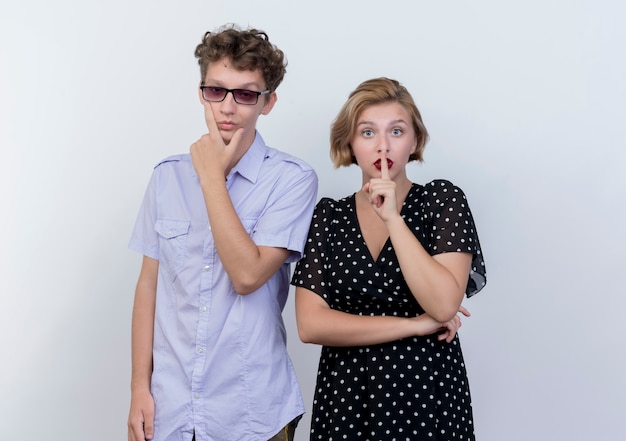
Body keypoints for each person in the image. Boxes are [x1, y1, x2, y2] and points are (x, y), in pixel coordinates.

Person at [127, 24, 318, 441]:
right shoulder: (166, 178)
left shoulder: (292, 180)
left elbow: (248, 276)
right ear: (201, 92)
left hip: (252, 412)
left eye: (246, 94)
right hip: (171, 411)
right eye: (217, 90)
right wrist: (139, 388)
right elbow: (149, 287)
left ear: (268, 103)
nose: (227, 108)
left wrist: (211, 177)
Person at [291, 77, 487, 440]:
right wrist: (413, 325)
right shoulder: (328, 217)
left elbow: (443, 304)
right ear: (349, 143)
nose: (383, 145)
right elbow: (310, 325)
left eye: (396, 131)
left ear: (414, 141)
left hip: (426, 392)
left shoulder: (441, 201)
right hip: (346, 395)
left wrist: (394, 219)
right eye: (367, 132)